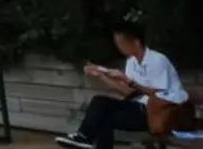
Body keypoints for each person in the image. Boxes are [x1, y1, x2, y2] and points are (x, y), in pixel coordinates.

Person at [56, 22, 192, 149]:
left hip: (160, 113)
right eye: (117, 43)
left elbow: (159, 94)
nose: (119, 47)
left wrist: (129, 81)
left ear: (136, 42)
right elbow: (128, 92)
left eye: (122, 43)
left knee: (103, 113)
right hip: (140, 109)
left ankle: (84, 138)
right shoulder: (131, 62)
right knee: (101, 106)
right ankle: (83, 137)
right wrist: (102, 75)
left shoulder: (158, 61)